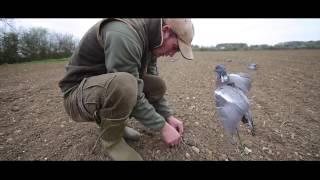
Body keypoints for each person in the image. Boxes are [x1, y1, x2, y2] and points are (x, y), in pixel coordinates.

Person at [58, 18, 194, 160]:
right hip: (78, 95)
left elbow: (150, 83)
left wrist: (167, 116)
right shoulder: (124, 34)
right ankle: (112, 140)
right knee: (126, 84)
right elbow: (131, 89)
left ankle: (117, 125)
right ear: (165, 31)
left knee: (156, 85)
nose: (172, 54)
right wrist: (162, 127)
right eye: (175, 47)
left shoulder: (152, 42)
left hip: (104, 86)